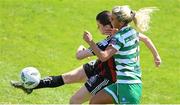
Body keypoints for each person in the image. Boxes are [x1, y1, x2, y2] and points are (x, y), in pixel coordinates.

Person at [11, 9, 161, 104]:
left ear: (108, 25)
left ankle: (30, 85)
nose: (97, 28)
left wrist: (86, 44)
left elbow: (80, 55)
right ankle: (31, 85)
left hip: (108, 76)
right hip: (98, 66)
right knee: (67, 78)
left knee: (74, 101)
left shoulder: (111, 41)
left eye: (99, 26)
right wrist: (156, 56)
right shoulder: (124, 34)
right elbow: (145, 38)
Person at [82, 6, 160, 104]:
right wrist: (156, 56)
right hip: (121, 83)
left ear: (121, 22)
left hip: (128, 86)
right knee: (95, 101)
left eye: (112, 19)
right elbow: (144, 39)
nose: (110, 20)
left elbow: (104, 56)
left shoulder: (119, 37)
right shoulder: (132, 31)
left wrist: (90, 42)